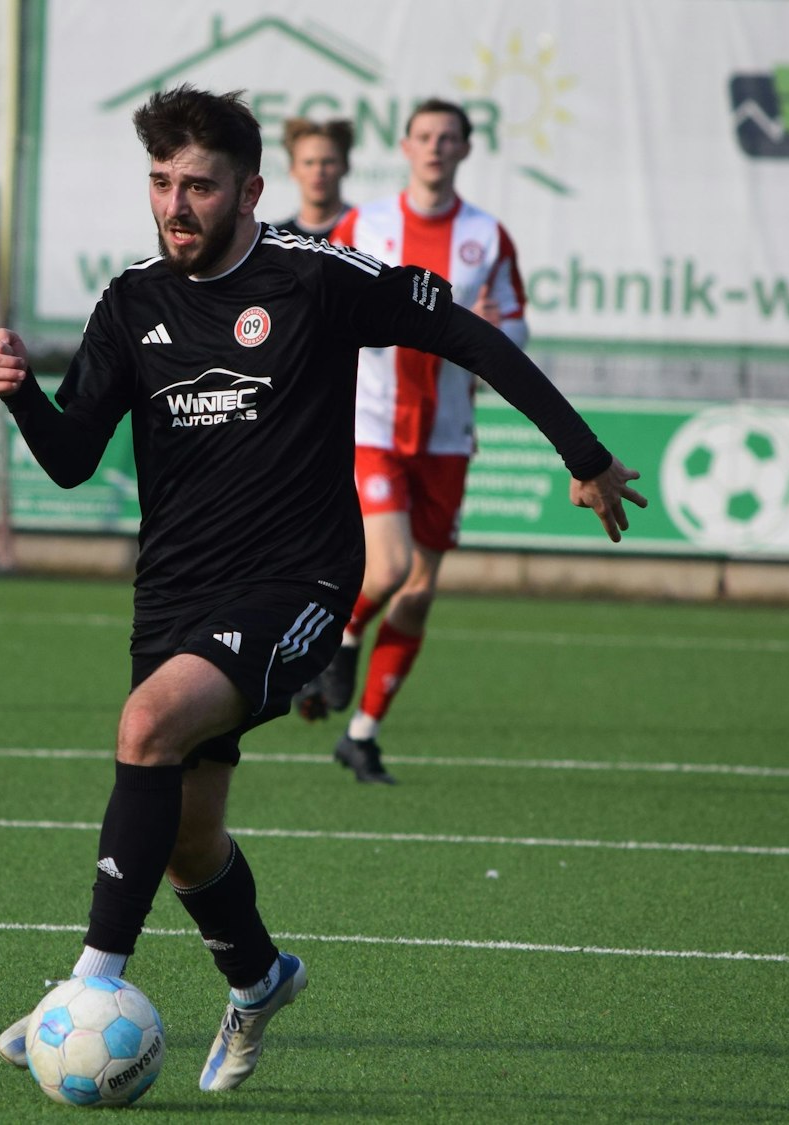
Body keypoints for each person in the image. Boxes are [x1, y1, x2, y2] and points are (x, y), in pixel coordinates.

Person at [0, 86, 641, 1093]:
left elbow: (464, 335)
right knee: (186, 844)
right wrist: (23, 392)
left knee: (145, 724)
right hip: (172, 596)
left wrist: (581, 454)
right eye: (159, 183)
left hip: (297, 582)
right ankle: (256, 978)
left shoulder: (311, 278)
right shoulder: (129, 303)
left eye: (196, 185)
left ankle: (84, 987)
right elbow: (71, 459)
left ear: (247, 190)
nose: (174, 205)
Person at [291, 98, 530, 785]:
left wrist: (494, 328)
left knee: (419, 592)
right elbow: (321, 302)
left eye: (448, 137)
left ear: (465, 149)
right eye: (424, 136)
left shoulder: (488, 236)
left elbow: (516, 326)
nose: (435, 147)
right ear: (404, 145)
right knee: (389, 567)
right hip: (372, 421)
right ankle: (336, 637)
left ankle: (361, 735)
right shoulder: (367, 223)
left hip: (447, 433)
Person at [273, 116, 353, 238]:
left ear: (345, 165)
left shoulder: (365, 232)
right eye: (308, 163)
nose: (318, 171)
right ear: (292, 169)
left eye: (328, 162)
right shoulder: (277, 239)